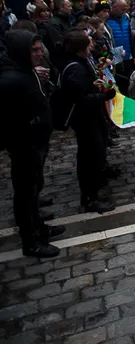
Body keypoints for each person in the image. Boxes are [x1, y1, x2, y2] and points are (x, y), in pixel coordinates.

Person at [0, 30, 64, 257]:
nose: (39, 54)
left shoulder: (27, 71)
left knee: (34, 189)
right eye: (34, 50)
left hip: (36, 142)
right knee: (26, 194)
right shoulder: (11, 79)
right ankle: (31, 241)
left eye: (40, 49)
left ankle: (39, 227)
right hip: (24, 145)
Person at [60, 30, 116, 214]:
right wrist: (103, 96)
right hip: (85, 119)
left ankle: (93, 193)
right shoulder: (75, 67)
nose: (92, 47)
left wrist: (94, 85)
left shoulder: (81, 63)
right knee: (90, 157)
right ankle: (89, 198)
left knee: (95, 154)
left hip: (91, 116)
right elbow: (80, 99)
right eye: (88, 44)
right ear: (81, 48)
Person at [107, 0, 135, 91]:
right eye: (122, 9)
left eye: (125, 9)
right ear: (114, 7)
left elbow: (131, 37)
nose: (124, 11)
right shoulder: (107, 19)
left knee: (127, 79)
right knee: (118, 79)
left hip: (127, 54)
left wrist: (134, 54)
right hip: (114, 55)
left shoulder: (126, 17)